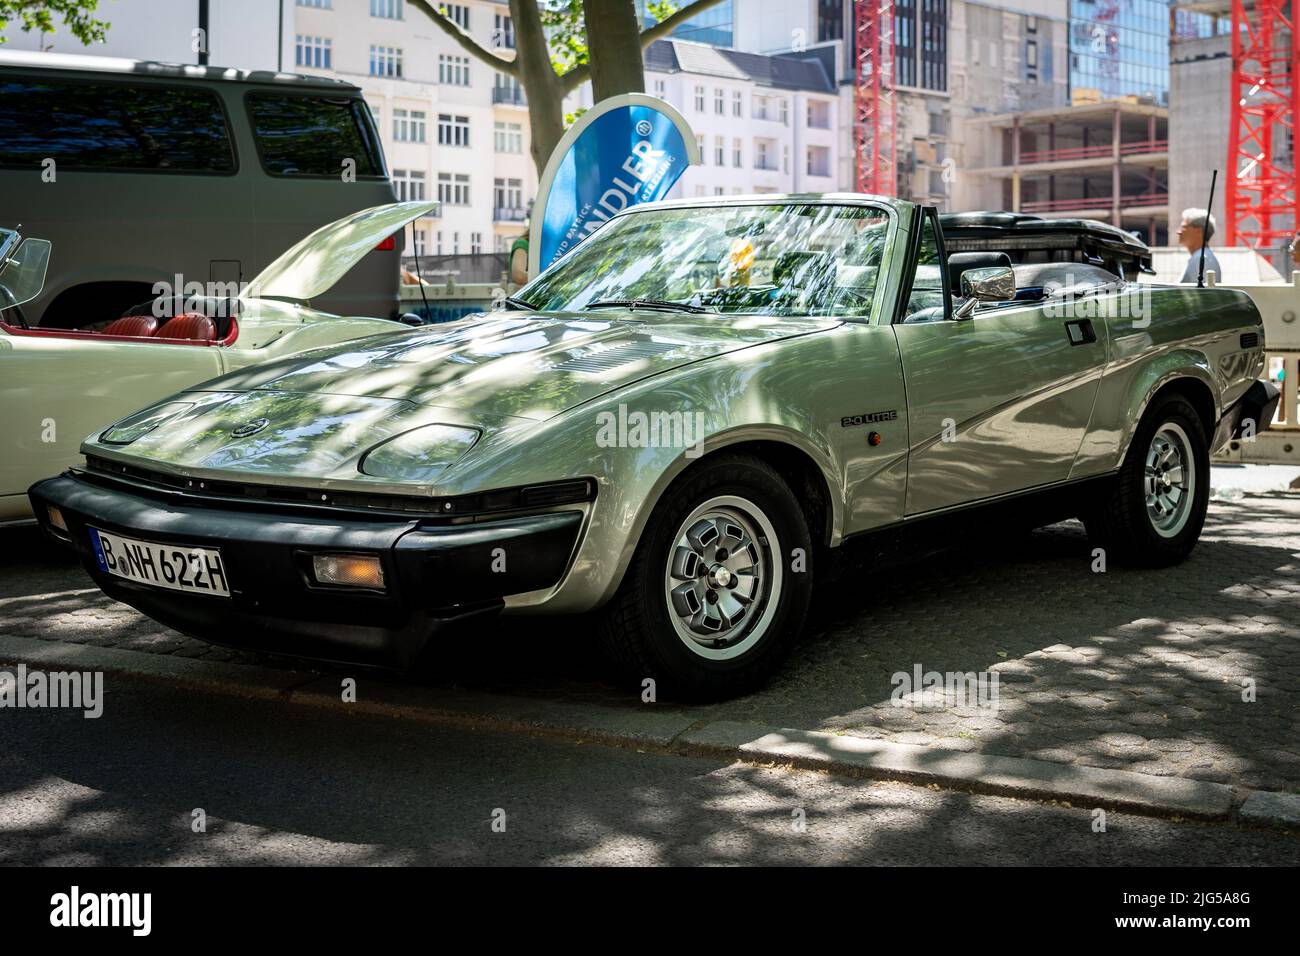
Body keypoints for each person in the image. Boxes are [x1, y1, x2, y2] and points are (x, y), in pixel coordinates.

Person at [1176, 208, 1222, 283]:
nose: (1178, 232)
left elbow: (1200, 293)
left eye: (1184, 227)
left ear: (1199, 231)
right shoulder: (1202, 257)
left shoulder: (1202, 259)